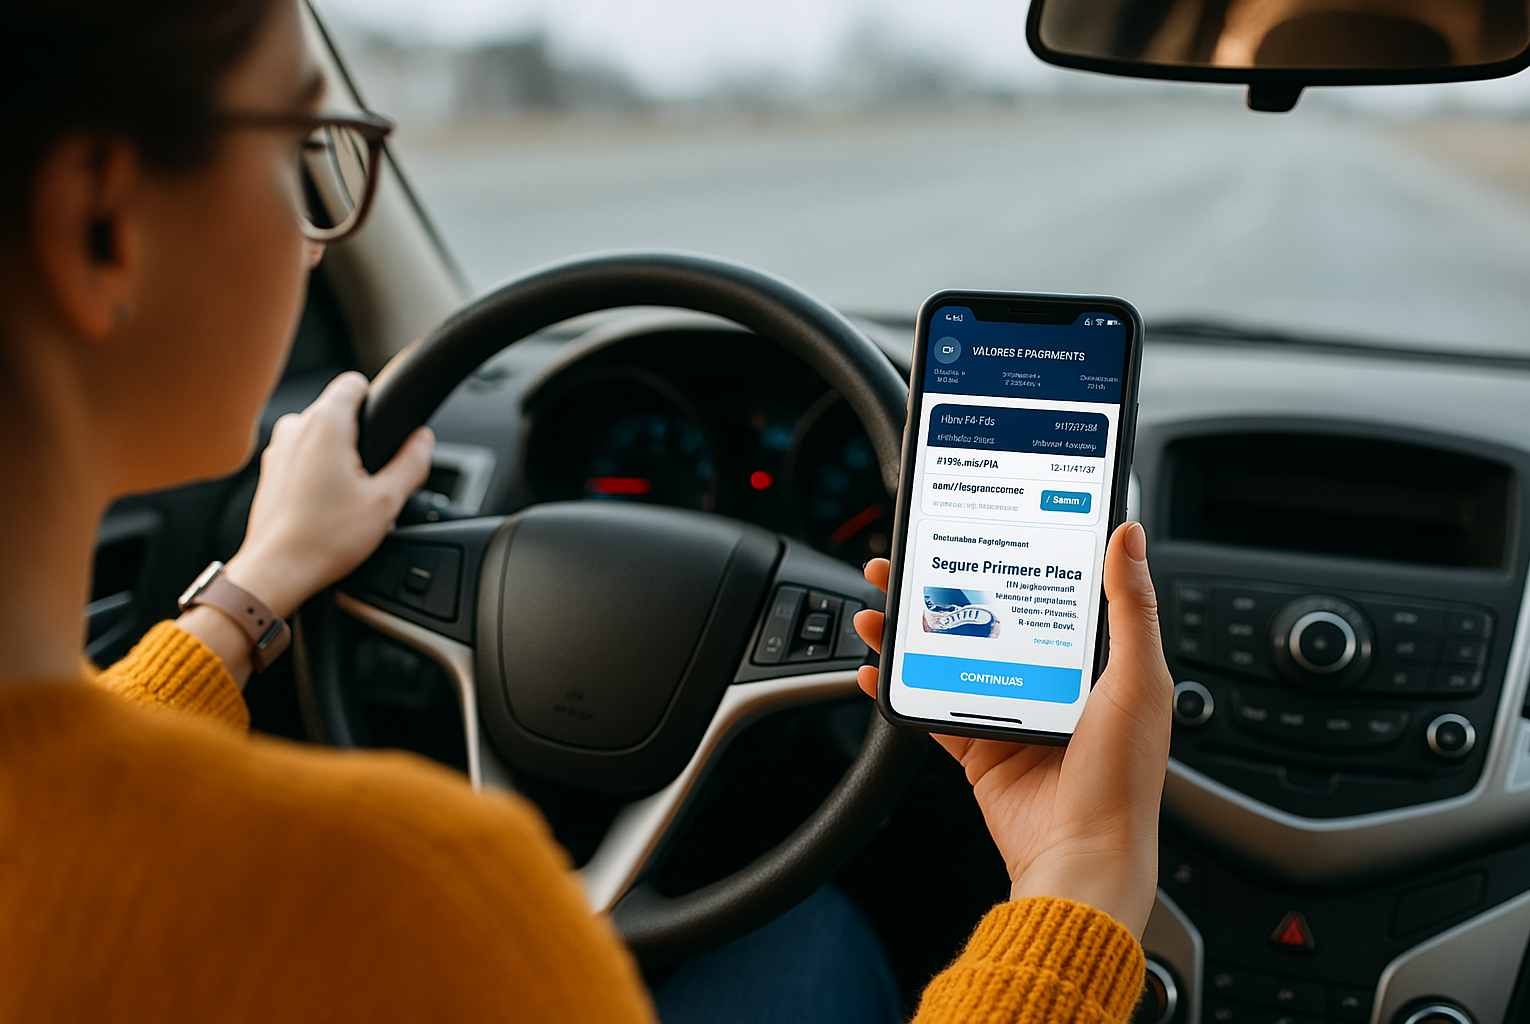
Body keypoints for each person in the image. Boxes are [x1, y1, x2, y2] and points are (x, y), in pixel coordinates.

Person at [0, 0, 1175, 1020]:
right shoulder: (416, 893)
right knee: (807, 940)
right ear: (102, 223)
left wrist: (251, 594)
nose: (321, 230)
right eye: (302, 145)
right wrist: (1080, 876)